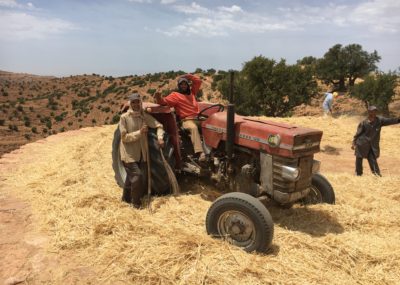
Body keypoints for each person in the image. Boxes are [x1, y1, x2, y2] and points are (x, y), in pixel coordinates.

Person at [119, 93, 165, 208]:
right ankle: (136, 204)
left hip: (141, 154)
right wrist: (140, 133)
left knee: (131, 178)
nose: (135, 104)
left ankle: (125, 199)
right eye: (133, 102)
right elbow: (124, 138)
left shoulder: (143, 116)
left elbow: (159, 125)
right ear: (130, 103)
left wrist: (160, 138)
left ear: (140, 103)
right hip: (129, 154)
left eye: (137, 102)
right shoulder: (124, 118)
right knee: (137, 176)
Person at [154, 73, 206, 161]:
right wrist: (158, 97)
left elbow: (198, 81)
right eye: (181, 84)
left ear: (188, 85)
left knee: (212, 126)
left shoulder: (192, 93)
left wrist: (188, 76)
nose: (183, 86)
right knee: (193, 128)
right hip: (186, 120)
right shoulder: (175, 96)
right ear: (179, 86)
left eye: (185, 84)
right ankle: (200, 152)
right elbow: (164, 102)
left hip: (198, 118)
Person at [351, 105, 400, 176]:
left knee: (372, 159)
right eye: (372, 111)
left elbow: (390, 120)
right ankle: (358, 174)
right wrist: (353, 143)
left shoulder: (380, 121)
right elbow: (358, 134)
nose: (374, 113)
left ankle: (377, 174)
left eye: (375, 111)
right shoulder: (364, 123)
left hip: (372, 145)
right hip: (362, 144)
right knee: (359, 159)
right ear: (369, 112)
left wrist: (398, 120)